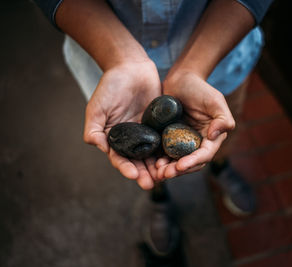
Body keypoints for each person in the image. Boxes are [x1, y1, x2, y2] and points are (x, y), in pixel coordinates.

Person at [34, 0, 273, 255]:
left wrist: (193, 69)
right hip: (111, 69)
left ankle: (221, 166)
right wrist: (121, 58)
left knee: (219, 130)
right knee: (153, 168)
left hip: (219, 61)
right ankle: (159, 197)